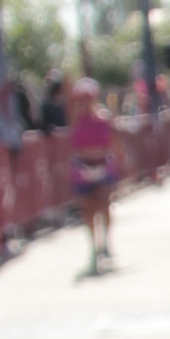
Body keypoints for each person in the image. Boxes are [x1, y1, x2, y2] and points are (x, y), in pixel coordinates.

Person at [68, 73, 118, 271]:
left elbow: (114, 142)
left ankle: (105, 242)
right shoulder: (74, 119)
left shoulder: (104, 118)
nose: (85, 102)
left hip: (103, 166)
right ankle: (93, 247)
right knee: (87, 209)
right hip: (82, 168)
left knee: (104, 204)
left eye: (88, 98)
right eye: (81, 98)